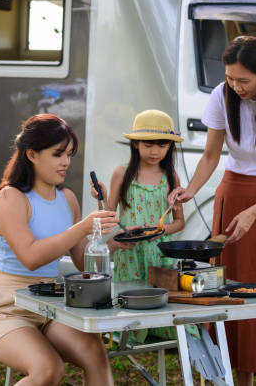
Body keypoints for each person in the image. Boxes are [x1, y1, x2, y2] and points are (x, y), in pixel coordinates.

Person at [169, 35, 256, 386]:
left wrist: (254, 212)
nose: (236, 86)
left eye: (243, 80)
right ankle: (237, 379)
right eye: (230, 78)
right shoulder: (222, 95)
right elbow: (211, 156)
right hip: (231, 196)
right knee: (230, 291)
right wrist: (191, 190)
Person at [0, 113, 119, 386]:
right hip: (6, 310)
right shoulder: (10, 197)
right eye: (57, 154)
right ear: (31, 154)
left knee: (96, 354)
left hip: (52, 308)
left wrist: (112, 240)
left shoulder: (67, 198)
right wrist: (82, 227)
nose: (66, 162)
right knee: (48, 369)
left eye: (69, 154)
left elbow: (81, 260)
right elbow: (30, 257)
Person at [92, 109, 185, 343]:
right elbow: (110, 216)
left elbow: (179, 222)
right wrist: (100, 198)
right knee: (132, 310)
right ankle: (129, 340)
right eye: (148, 144)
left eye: (162, 145)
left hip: (160, 256)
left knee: (162, 310)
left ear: (170, 147)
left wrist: (161, 231)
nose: (155, 151)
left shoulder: (171, 177)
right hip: (130, 255)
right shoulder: (122, 173)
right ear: (135, 144)